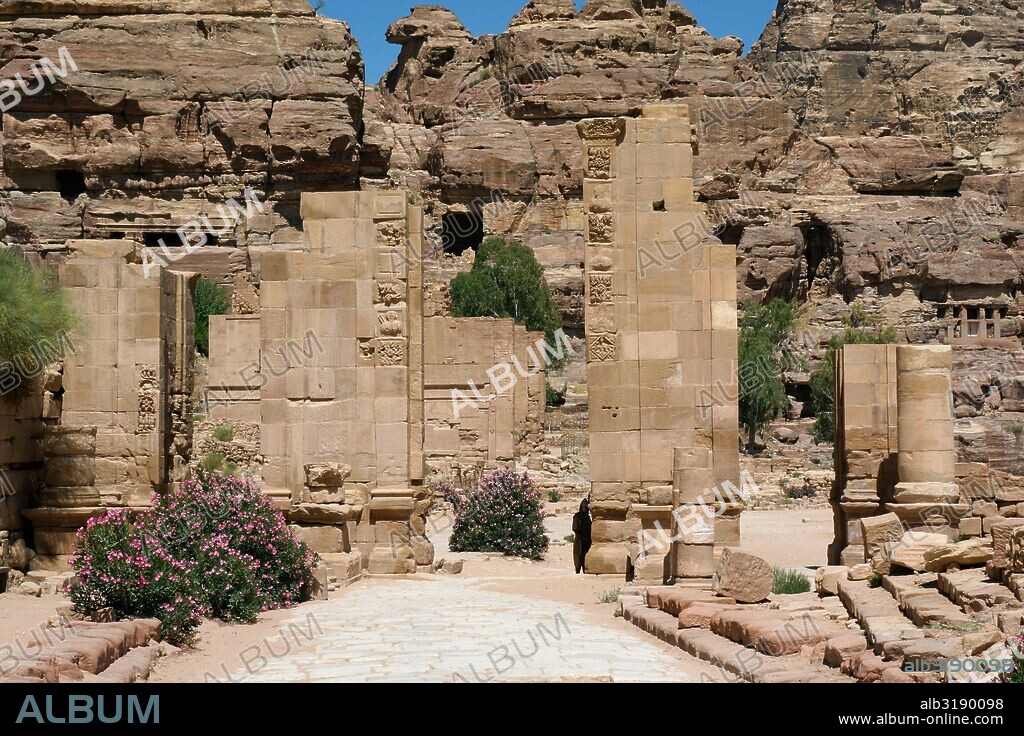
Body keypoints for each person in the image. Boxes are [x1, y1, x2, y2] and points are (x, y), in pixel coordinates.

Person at [572, 498, 592, 574]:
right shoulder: (577, 516)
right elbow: (575, 529)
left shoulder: (588, 517)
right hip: (579, 540)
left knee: (585, 557)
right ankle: (577, 570)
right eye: (584, 507)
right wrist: (582, 537)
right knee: (578, 556)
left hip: (587, 540)